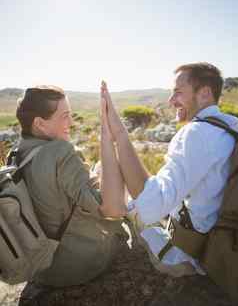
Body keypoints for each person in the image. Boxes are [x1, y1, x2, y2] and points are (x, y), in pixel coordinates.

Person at [101, 62, 238, 277]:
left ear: (204, 94)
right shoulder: (232, 125)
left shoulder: (196, 133)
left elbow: (153, 204)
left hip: (197, 254)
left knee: (135, 210)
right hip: (225, 237)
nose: (171, 101)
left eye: (178, 93)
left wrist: (119, 134)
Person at [15, 85, 127, 292]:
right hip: (75, 267)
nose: (71, 122)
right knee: (112, 175)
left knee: (99, 171)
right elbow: (113, 209)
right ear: (40, 123)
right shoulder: (60, 152)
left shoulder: (17, 152)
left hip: (41, 268)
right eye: (64, 116)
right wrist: (107, 134)